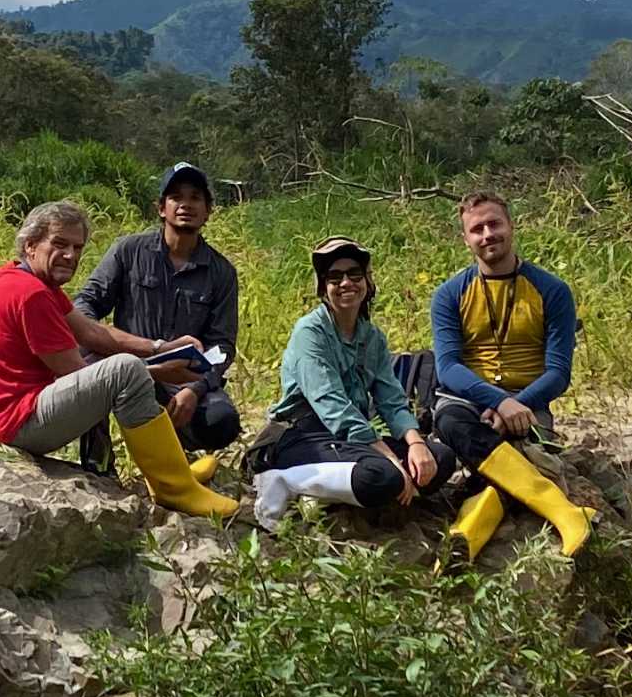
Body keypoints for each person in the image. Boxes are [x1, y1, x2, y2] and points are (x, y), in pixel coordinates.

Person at [0, 199, 239, 520]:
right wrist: (158, 371)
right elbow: (77, 373)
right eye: (59, 244)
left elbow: (95, 334)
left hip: (23, 408)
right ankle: (174, 488)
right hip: (16, 424)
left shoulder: (32, 282)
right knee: (121, 370)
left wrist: (160, 347)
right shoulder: (31, 294)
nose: (71, 255)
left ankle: (163, 472)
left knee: (109, 359)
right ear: (30, 246)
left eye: (77, 247)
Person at [430, 191, 594, 561]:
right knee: (452, 422)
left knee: (521, 448)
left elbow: (558, 373)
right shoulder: (449, 294)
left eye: (494, 224)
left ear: (510, 226)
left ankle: (470, 528)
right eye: (477, 229)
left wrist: (517, 404)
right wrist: (498, 402)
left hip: (529, 398)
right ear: (466, 239)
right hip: (469, 400)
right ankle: (563, 511)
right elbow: (448, 368)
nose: (487, 234)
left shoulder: (552, 290)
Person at [250, 237, 456, 528]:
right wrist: (388, 457)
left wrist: (416, 443)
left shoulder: (371, 337)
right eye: (335, 277)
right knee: (384, 474)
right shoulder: (310, 332)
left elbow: (391, 399)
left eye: (354, 275)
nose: (346, 283)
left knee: (438, 459)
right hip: (304, 435)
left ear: (367, 282)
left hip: (348, 440)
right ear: (323, 288)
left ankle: (325, 494)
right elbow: (332, 406)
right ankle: (281, 480)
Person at [72, 162, 240, 480]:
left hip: (181, 377)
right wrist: (113, 347)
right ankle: (99, 465)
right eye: (176, 197)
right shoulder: (128, 251)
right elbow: (83, 307)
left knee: (221, 421)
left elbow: (223, 345)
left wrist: (196, 388)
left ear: (208, 211)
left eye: (195, 198)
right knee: (87, 358)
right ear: (161, 208)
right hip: (130, 368)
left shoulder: (221, 272)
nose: (185, 205)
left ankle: (171, 448)